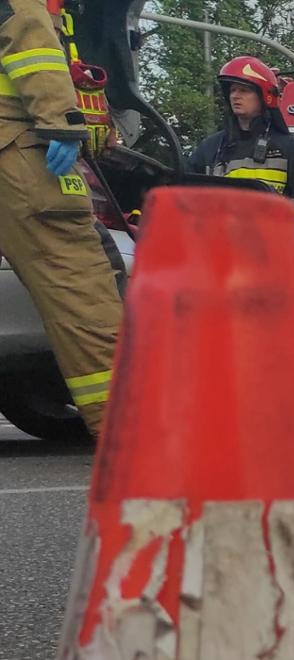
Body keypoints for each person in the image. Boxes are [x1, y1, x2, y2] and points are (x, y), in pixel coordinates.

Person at [0, 0, 122, 436]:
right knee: (78, 282)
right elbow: (32, 41)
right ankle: (133, 426)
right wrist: (62, 122)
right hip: (16, 150)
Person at [188, 56, 294, 261]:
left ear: (264, 96)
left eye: (244, 90)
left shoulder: (291, 149)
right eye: (232, 90)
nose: (235, 96)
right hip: (217, 264)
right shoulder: (209, 149)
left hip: (271, 263)